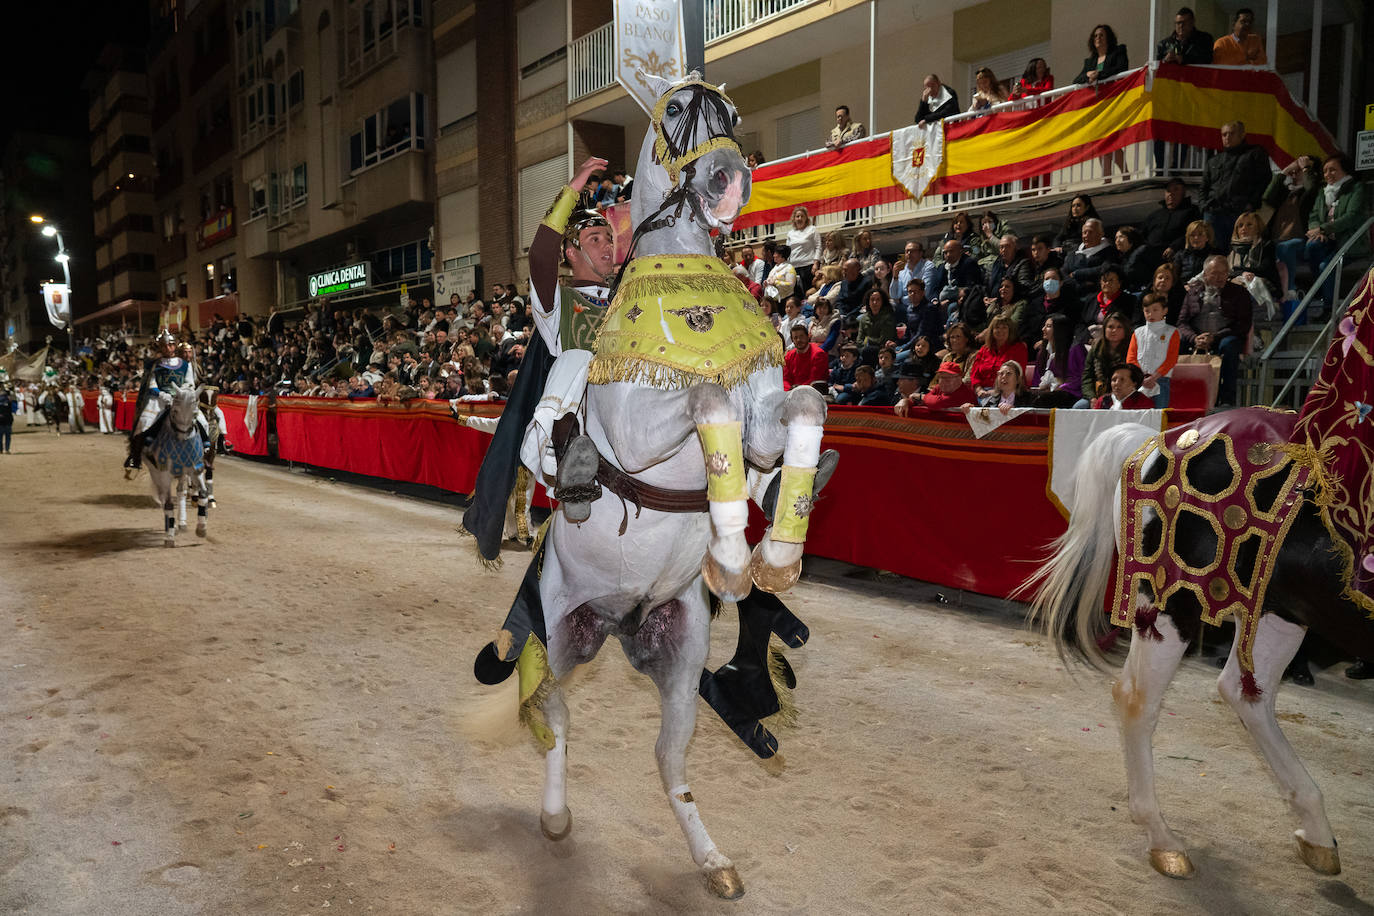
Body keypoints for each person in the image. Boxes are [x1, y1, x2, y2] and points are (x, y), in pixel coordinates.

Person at [1285, 152, 1368, 315]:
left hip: (1349, 243)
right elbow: (1314, 215)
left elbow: (1351, 216)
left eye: (1333, 170)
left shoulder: (1356, 188)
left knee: (1326, 266)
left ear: (1345, 171)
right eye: (1325, 171)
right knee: (1312, 247)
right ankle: (1321, 291)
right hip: (1328, 242)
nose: (1328, 174)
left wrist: (1324, 229)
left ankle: (1328, 309)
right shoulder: (1324, 192)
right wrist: (1317, 231)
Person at [1177, 255, 1254, 406]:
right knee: (1179, 341)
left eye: (1223, 273)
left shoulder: (1239, 293)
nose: (1219, 277)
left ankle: (1226, 399)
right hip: (1198, 338)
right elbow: (1182, 322)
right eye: (1214, 273)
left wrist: (1215, 337)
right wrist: (1194, 338)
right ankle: (1182, 396)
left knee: (1229, 345)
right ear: (1205, 275)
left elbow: (1243, 325)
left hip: (1224, 337)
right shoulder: (1192, 293)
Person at [125, 328, 197, 471]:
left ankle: (208, 445)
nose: (168, 348)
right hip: (158, 400)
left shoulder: (185, 365)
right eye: (164, 346)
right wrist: (163, 395)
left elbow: (190, 383)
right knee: (143, 424)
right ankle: (136, 456)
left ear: (175, 346)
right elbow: (151, 384)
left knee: (201, 420)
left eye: (170, 345)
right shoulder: (155, 364)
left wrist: (179, 394)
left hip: (180, 399)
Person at [1199, 121, 1271, 249]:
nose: (1227, 137)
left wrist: (1251, 204)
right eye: (1224, 134)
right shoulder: (1214, 160)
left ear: (1242, 135)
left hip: (1239, 211)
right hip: (1213, 212)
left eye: (1231, 133)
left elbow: (1264, 180)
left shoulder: (1254, 154)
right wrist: (1204, 205)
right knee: (1213, 251)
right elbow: (1204, 186)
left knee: (1238, 249)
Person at [1263, 155, 1321, 300]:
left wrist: (1306, 168)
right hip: (1277, 239)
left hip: (1300, 240)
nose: (1295, 173)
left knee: (1286, 248)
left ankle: (1290, 291)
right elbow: (1267, 197)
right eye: (1294, 170)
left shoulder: (1312, 191)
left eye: (1299, 170)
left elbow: (1312, 190)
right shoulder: (1285, 192)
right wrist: (1284, 172)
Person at [1127, 293, 1180, 407]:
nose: (1151, 314)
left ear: (1164, 310)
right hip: (1139, 381)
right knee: (1138, 414)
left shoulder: (1172, 332)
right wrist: (1141, 377)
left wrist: (1154, 377)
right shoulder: (1138, 332)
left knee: (1159, 414)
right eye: (1147, 311)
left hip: (1161, 380)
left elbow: (1171, 359)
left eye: (1155, 310)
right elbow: (1131, 358)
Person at [1076, 311, 1133, 408]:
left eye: (1119, 327)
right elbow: (1087, 376)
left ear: (1125, 330)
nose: (1114, 330)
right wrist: (1092, 397)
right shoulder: (1096, 347)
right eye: (1110, 327)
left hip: (1123, 393)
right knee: (1078, 407)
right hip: (1098, 392)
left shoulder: (1131, 347)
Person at [1031, 313, 1087, 408]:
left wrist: (1060, 387)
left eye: (1048, 326)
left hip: (1070, 393)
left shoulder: (1075, 349)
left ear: (1059, 330)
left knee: (1044, 400)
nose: (1043, 329)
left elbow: (1081, 377)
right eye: (1044, 326)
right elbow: (1037, 378)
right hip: (1048, 393)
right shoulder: (1042, 352)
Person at [1139, 179, 1203, 262]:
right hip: (1149, 255)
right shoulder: (1155, 215)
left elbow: (1192, 233)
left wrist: (1174, 247)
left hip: (1174, 257)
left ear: (1183, 192)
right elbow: (1141, 235)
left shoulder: (1192, 212)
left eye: (1176, 189)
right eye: (1168, 191)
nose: (1171, 194)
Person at [968, 316, 1028, 399]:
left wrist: (996, 391)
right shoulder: (984, 349)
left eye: (1004, 327)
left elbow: (1017, 375)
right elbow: (974, 374)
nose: (1000, 331)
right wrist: (979, 390)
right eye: (997, 327)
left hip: (1007, 393)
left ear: (1010, 330)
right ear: (992, 331)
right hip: (982, 393)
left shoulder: (1019, 348)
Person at [1227, 211, 1279, 299]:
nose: (1244, 228)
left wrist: (1243, 273)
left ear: (1258, 228)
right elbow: (1228, 271)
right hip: (1238, 280)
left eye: (1249, 225)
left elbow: (1265, 270)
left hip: (1261, 281)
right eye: (1240, 225)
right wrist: (1242, 273)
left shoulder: (1266, 245)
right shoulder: (1232, 248)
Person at [1063, 218, 1119, 289]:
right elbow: (1064, 273)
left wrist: (1076, 273)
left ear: (1101, 234)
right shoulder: (1074, 253)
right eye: (1084, 232)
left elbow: (1105, 269)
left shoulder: (1110, 251)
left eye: (1091, 232)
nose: (1086, 235)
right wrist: (1081, 285)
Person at [968, 360, 1032, 413]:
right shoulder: (988, 401)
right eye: (1001, 373)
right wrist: (970, 409)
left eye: (1008, 373)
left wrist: (1014, 411)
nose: (1003, 377)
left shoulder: (1030, 399)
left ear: (1018, 379)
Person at [1173, 219, 1223, 286]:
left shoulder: (1215, 255)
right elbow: (1174, 277)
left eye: (1200, 234)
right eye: (1192, 235)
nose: (1196, 238)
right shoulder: (1181, 255)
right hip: (1184, 289)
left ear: (1207, 237)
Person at [783, 324, 829, 391]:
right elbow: (786, 379)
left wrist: (797, 390)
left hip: (812, 392)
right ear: (792, 340)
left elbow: (814, 380)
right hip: (792, 392)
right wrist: (789, 390)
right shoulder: (789, 355)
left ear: (808, 337)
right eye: (795, 338)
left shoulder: (818, 354)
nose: (799, 340)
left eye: (801, 336)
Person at [786, 206, 819, 294]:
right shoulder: (790, 233)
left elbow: (818, 247)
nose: (799, 218)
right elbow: (787, 251)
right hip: (794, 267)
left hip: (809, 266)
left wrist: (816, 263)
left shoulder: (812, 229)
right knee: (797, 293)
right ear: (794, 219)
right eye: (797, 216)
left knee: (809, 291)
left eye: (802, 216)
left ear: (806, 218)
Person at [890, 241, 932, 310]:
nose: (909, 253)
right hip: (905, 306)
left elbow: (926, 292)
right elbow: (894, 296)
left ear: (920, 253)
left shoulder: (928, 266)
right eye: (907, 251)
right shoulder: (902, 270)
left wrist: (901, 300)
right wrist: (895, 277)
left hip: (922, 305)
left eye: (912, 251)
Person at [1115, 226, 1153, 293]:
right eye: (1116, 238)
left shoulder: (1143, 250)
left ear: (1131, 238)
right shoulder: (1123, 259)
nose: (1117, 240)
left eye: (1121, 237)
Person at [0, 382, 14, 453]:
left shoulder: (9, 400)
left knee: (4, 436)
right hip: (5, 420)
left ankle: (4, 449)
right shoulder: (8, 400)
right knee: (5, 436)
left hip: (6, 419)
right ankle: (5, 449)